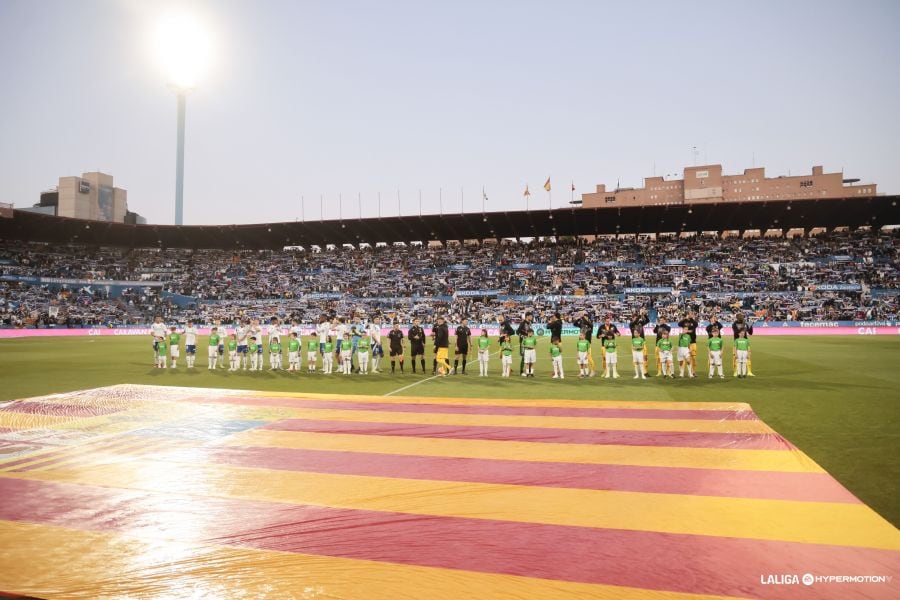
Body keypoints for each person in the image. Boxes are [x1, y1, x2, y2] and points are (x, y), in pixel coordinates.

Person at [572, 311, 595, 376]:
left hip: (587, 344)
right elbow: (574, 324)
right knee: (581, 360)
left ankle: (592, 371)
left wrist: (582, 317)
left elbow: (587, 322)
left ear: (587, 317)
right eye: (584, 316)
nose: (584, 318)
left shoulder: (590, 324)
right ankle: (582, 372)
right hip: (581, 344)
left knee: (589, 358)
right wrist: (579, 318)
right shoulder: (582, 324)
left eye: (585, 316)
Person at [629, 309, 650, 377]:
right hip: (635, 343)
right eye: (634, 318)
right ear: (632, 318)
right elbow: (635, 321)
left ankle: (645, 372)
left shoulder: (640, 323)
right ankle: (637, 373)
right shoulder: (631, 324)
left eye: (636, 318)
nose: (636, 319)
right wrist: (640, 315)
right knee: (636, 360)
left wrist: (644, 314)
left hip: (642, 342)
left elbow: (648, 321)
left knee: (645, 357)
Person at [678, 311, 699, 378]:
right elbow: (679, 324)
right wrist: (685, 318)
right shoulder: (684, 321)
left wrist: (692, 318)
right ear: (687, 314)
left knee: (693, 358)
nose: (691, 315)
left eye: (692, 314)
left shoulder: (693, 321)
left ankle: (693, 372)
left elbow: (696, 324)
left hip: (692, 342)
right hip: (685, 343)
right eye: (690, 314)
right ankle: (682, 372)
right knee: (684, 358)